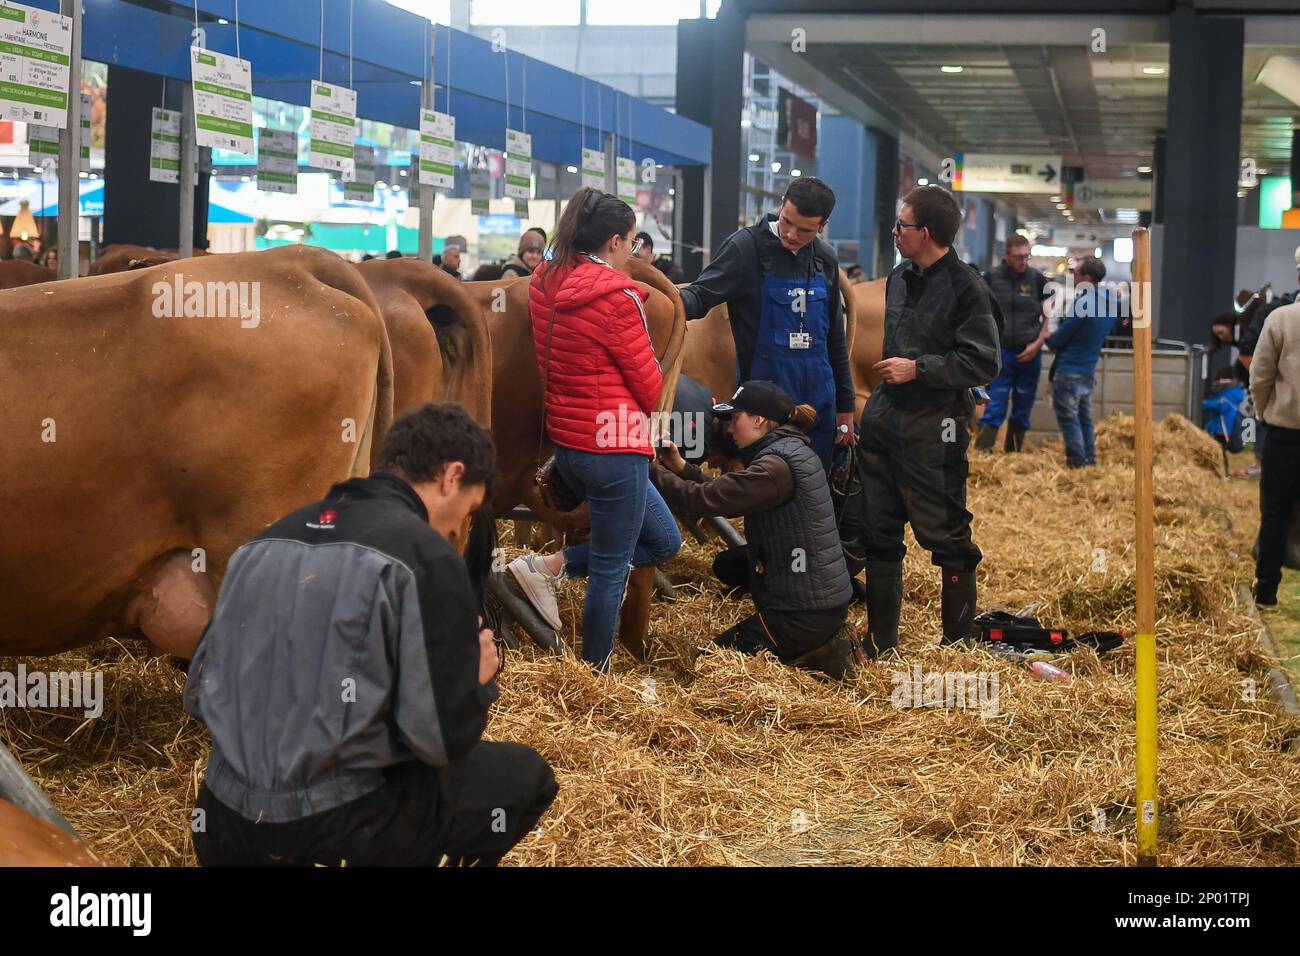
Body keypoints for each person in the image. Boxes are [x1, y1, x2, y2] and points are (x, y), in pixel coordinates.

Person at [184, 403, 557, 866]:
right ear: (451, 477)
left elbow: (199, 694)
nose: (462, 529)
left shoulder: (260, 545)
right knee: (529, 778)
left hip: (222, 825)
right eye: (471, 508)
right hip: (340, 831)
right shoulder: (424, 556)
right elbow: (437, 741)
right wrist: (472, 681)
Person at [506, 187, 681, 672]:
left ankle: (547, 568)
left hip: (572, 444)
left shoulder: (543, 279)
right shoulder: (619, 298)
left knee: (665, 541)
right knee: (611, 567)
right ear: (614, 242)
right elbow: (649, 387)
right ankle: (595, 675)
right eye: (629, 242)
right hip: (616, 450)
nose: (630, 251)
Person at [856, 185, 1000, 655]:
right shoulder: (899, 278)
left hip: (934, 432)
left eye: (904, 225)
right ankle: (882, 646)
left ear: (929, 232)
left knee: (949, 539)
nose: (895, 231)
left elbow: (982, 362)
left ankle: (958, 648)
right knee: (879, 536)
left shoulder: (967, 287)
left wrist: (918, 369)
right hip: (883, 424)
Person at [651, 380, 855, 678]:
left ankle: (817, 653)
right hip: (818, 601)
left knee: (708, 663)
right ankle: (813, 644)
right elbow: (729, 491)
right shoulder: (787, 451)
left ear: (759, 420)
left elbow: (704, 499)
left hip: (803, 614)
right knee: (728, 564)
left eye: (735, 419)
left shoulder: (776, 467)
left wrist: (648, 468)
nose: (730, 429)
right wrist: (680, 466)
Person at [678, 176, 856, 470]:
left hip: (819, 404)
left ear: (822, 226)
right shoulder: (745, 249)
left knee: (815, 493)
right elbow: (699, 296)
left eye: (805, 229)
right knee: (766, 495)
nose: (791, 234)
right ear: (782, 204)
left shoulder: (825, 259)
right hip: (765, 410)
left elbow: (834, 338)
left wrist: (846, 407)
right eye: (787, 221)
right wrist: (664, 304)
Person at [974, 234, 1052, 453]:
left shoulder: (1038, 279)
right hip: (1000, 353)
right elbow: (979, 312)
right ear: (1006, 255)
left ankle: (1014, 451)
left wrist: (1038, 343)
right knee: (995, 402)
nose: (1023, 261)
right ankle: (984, 452)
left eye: (1026, 256)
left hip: (1030, 351)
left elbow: (1049, 315)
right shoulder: (989, 279)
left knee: (1023, 404)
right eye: (1018, 257)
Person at [1249, 299, 1300, 606]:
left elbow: (1260, 375)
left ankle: (1267, 589)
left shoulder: (1281, 318)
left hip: (1284, 432)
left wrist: (1264, 412)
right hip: (1283, 430)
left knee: (1275, 511)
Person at [1044, 256, 1116, 468]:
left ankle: (1077, 464)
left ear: (1087, 277)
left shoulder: (1083, 302)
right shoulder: (1109, 301)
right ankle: (1090, 460)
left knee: (1069, 419)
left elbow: (1063, 335)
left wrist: (1052, 339)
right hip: (1088, 367)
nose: (1073, 278)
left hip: (1069, 368)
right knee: (1085, 418)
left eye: (1076, 274)